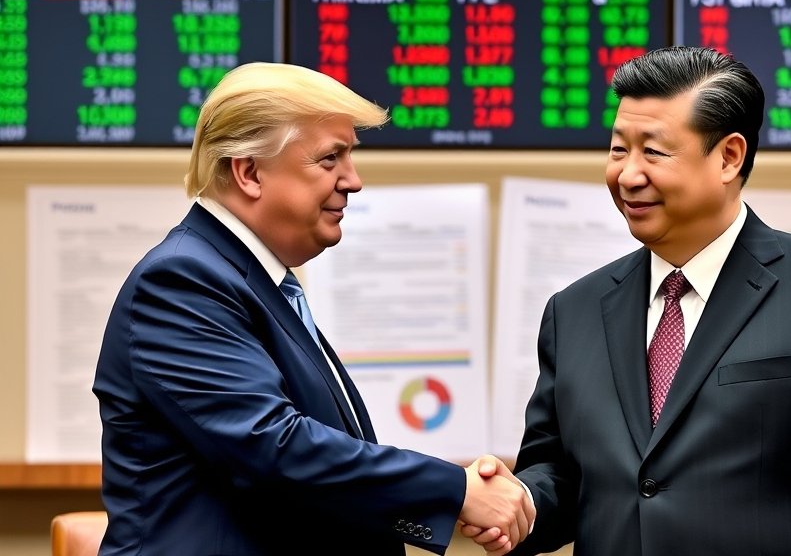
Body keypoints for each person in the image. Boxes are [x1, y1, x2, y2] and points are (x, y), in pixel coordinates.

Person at [467, 46, 791, 555]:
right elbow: (565, 479)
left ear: (729, 157)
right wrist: (518, 499)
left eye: (654, 152)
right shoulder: (573, 311)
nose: (628, 175)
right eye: (618, 150)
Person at [92, 62, 533, 556]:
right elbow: (272, 444)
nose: (354, 180)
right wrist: (458, 491)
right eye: (330, 159)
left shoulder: (255, 280)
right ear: (249, 171)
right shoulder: (181, 280)